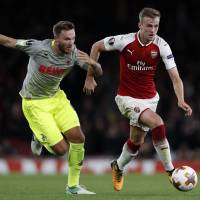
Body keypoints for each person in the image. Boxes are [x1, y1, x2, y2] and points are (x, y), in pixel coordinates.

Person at [83, 7, 192, 191]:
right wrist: (90, 76)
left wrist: (180, 99)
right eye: (149, 26)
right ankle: (171, 171)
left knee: (136, 142)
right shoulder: (125, 41)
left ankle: (118, 166)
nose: (153, 30)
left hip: (150, 99)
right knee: (158, 123)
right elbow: (96, 47)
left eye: (156, 26)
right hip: (126, 98)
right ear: (139, 24)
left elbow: (175, 77)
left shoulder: (161, 45)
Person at [0, 20, 103, 195]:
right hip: (34, 104)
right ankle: (38, 136)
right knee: (61, 150)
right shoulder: (38, 48)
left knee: (78, 138)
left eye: (73, 38)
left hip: (57, 98)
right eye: (67, 39)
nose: (71, 43)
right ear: (56, 38)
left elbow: (98, 71)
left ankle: (73, 187)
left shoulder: (74, 53)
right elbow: (10, 41)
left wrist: (94, 65)